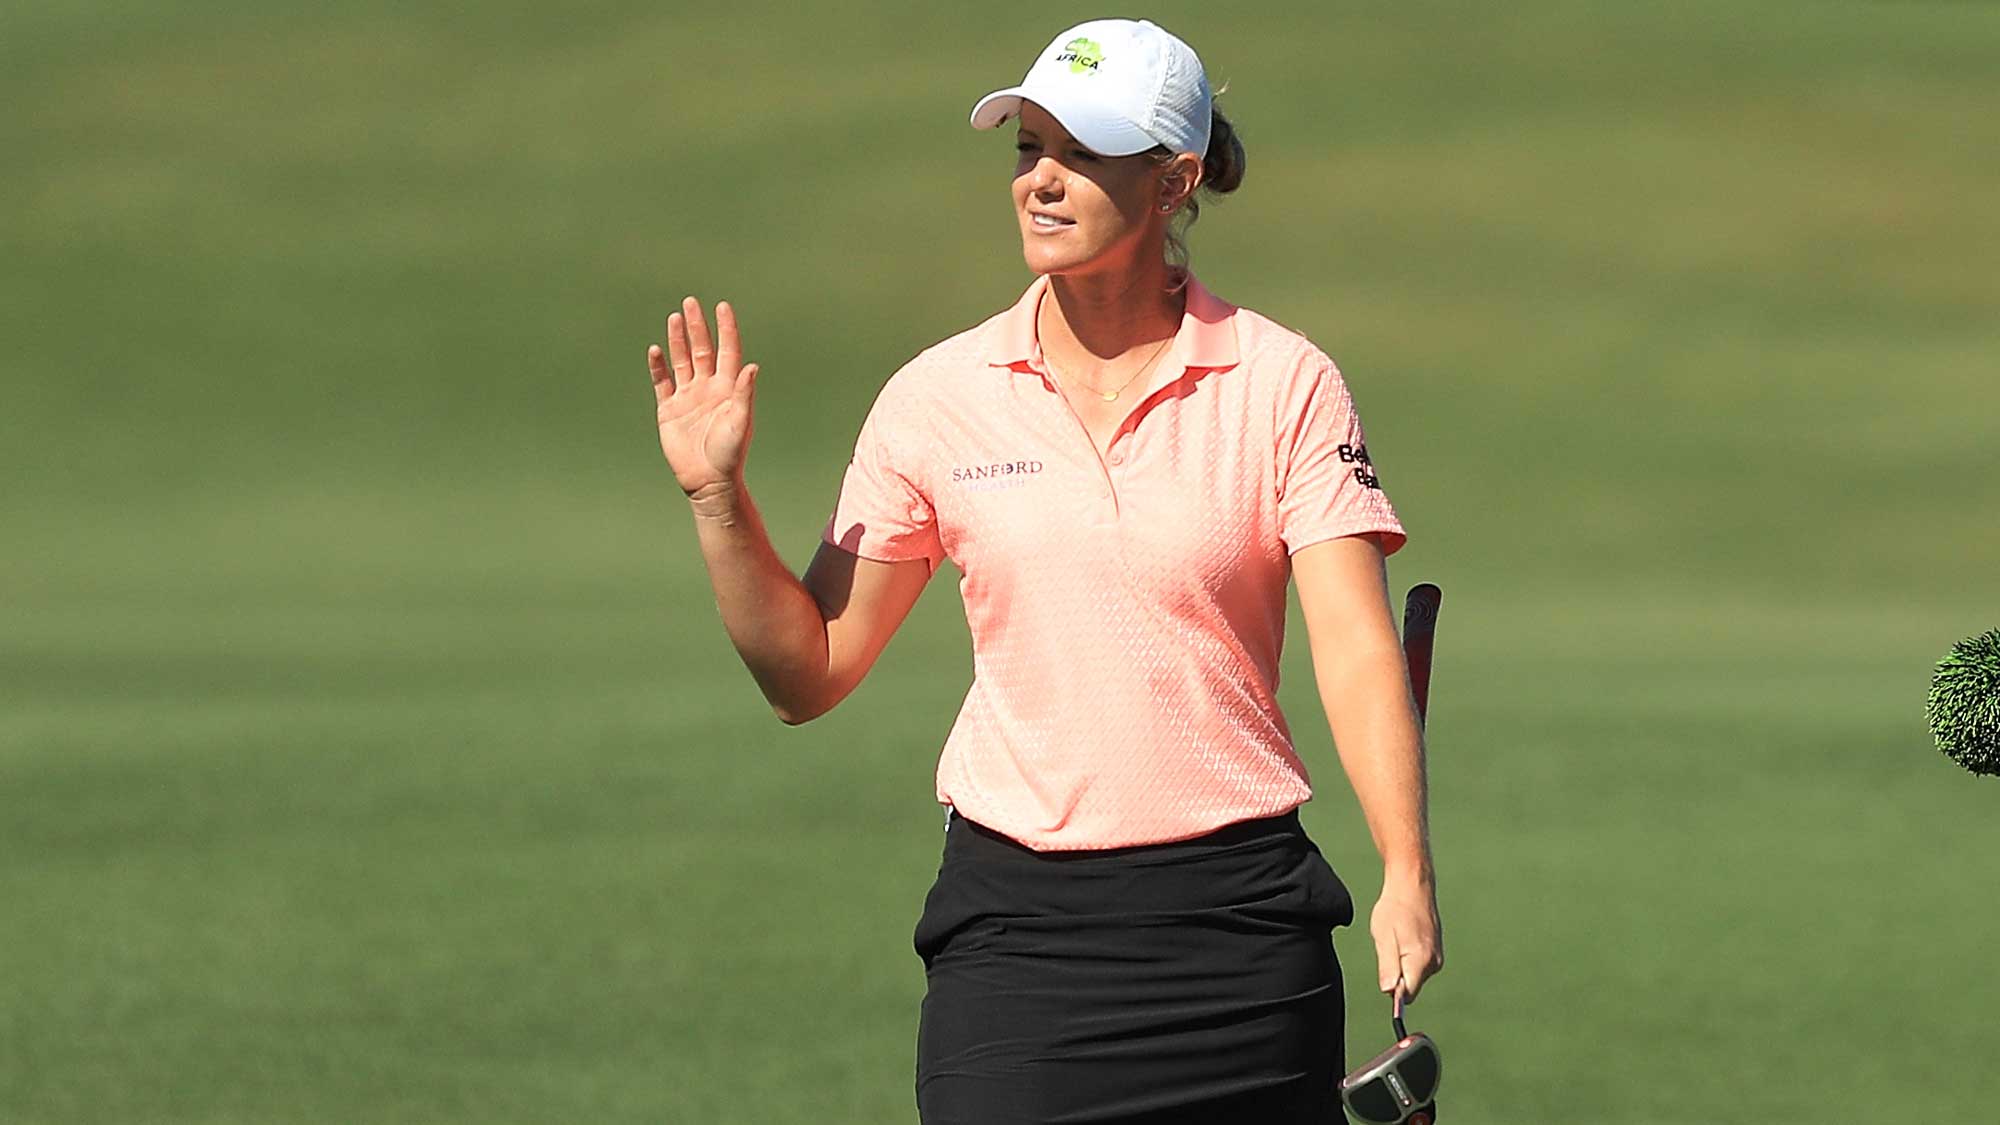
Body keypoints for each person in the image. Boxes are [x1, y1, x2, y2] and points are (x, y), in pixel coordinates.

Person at [646, 18, 1441, 1124]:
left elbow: (1353, 645)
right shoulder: (937, 395)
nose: (1042, 183)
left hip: (1239, 927)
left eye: (1081, 152)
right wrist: (717, 501)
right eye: (1027, 150)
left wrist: (1405, 864)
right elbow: (808, 671)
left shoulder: (1282, 383)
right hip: (1017, 935)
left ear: (1172, 180)